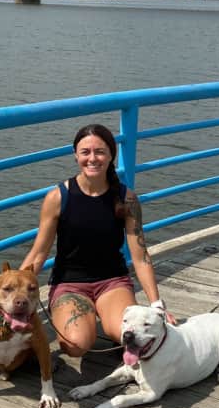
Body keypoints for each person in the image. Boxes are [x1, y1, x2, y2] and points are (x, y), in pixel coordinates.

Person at [20, 123, 174, 357]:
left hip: (112, 282)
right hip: (69, 284)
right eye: (85, 152)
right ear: (76, 155)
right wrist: (11, 292)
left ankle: (103, 316)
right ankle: (86, 320)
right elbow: (39, 253)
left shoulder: (127, 199)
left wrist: (156, 305)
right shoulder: (58, 197)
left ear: (111, 155)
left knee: (129, 337)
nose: (93, 158)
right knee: (76, 345)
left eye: (100, 152)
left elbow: (140, 256)